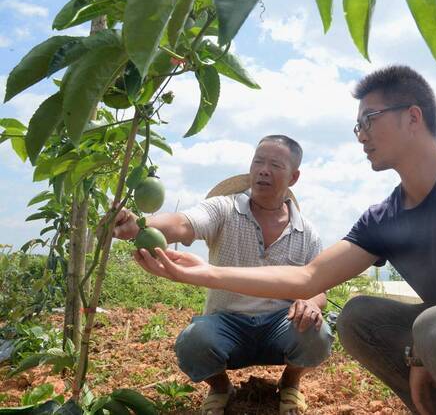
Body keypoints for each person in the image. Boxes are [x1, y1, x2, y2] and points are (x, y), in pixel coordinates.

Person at [133, 66, 436, 414]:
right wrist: (203, 271)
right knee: (358, 317)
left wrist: (418, 354)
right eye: (357, 126)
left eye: (369, 119)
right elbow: (310, 276)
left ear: (413, 117)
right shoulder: (386, 216)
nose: (361, 136)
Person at [114, 135, 332, 415]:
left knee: (318, 332)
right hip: (227, 323)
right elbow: (183, 223)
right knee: (194, 341)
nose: (263, 169)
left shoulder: (307, 232)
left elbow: (320, 285)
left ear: (294, 177)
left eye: (275, 164)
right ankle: (220, 387)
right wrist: (140, 224)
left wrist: (312, 303)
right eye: (258, 162)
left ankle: (290, 383)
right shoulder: (224, 208)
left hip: (281, 323)